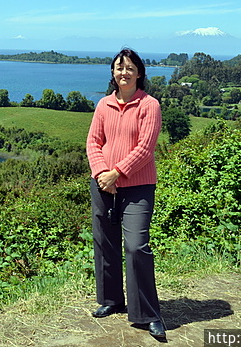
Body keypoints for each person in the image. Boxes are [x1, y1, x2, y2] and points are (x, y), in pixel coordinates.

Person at [85, 48, 166, 339]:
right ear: (112, 73)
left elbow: (145, 149)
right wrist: (102, 175)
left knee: (135, 246)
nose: (124, 73)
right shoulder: (103, 105)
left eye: (130, 68)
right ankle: (110, 300)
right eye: (119, 68)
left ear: (140, 73)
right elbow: (93, 142)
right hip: (103, 184)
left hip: (137, 187)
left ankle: (147, 313)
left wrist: (117, 173)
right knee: (105, 243)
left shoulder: (149, 105)